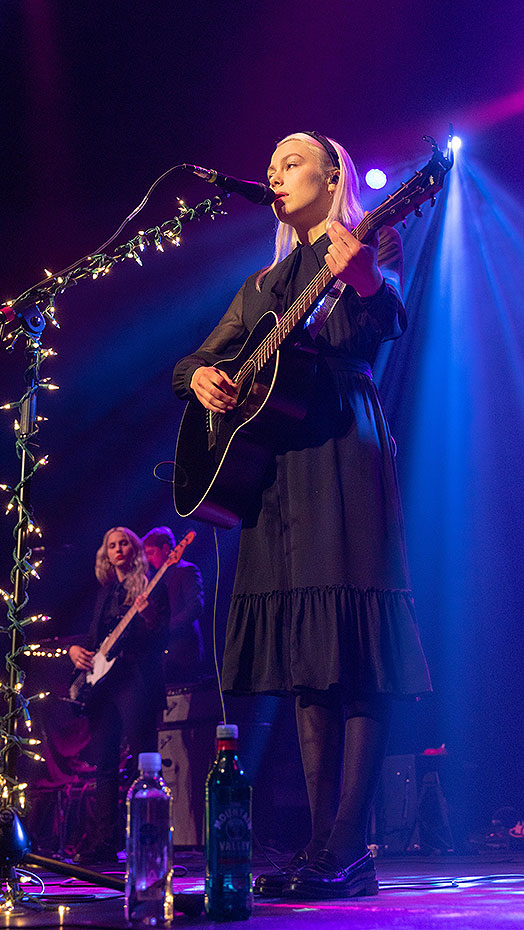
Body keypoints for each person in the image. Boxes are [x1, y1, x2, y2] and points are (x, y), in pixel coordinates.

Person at [172, 132, 431, 899]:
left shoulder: (371, 239)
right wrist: (207, 381)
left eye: (291, 162)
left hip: (341, 451)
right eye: (273, 165)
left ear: (332, 176)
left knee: (352, 655)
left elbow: (385, 326)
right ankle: (327, 850)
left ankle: (348, 848)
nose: (275, 174)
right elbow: (189, 363)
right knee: (309, 668)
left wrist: (366, 282)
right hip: (276, 470)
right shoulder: (261, 286)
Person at [68, 526, 169, 862]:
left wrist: (149, 614)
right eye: (111, 545)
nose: (118, 548)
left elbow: (163, 634)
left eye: (124, 542)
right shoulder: (107, 592)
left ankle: (148, 840)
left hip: (136, 680)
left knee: (144, 760)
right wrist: (74, 652)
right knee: (105, 765)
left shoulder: (152, 584)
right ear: (106, 555)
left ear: (135, 548)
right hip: (104, 685)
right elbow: (95, 636)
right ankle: (103, 843)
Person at [142, 526, 205, 685]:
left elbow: (195, 607)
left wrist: (166, 628)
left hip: (183, 651)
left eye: (151, 553)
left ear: (165, 549)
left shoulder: (187, 570)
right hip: (160, 655)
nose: (148, 559)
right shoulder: (154, 580)